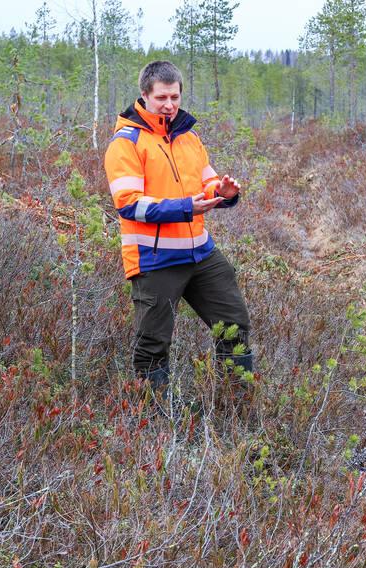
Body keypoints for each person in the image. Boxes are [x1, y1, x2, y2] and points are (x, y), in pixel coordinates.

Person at [104, 60, 252, 391]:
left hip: (200, 252)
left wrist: (222, 193)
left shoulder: (189, 137)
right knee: (153, 345)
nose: (169, 105)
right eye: (161, 98)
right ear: (144, 96)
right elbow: (129, 204)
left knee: (235, 324)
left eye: (175, 97)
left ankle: (236, 405)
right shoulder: (126, 143)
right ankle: (153, 416)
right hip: (154, 258)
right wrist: (185, 207)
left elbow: (207, 182)